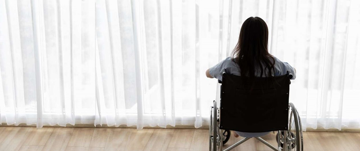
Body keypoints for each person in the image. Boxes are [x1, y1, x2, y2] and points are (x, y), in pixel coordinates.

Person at [205, 17, 296, 138]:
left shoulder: (230, 64)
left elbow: (208, 73)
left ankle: (235, 131)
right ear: (265, 39)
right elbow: (293, 73)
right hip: (269, 125)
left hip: (237, 123)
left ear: (242, 38)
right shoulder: (275, 64)